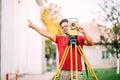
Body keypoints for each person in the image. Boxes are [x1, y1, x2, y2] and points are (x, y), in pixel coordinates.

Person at [28, 19, 94, 80]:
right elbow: (47, 34)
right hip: (64, 71)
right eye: (62, 27)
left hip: (76, 70)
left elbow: (91, 43)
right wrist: (34, 27)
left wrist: (84, 32)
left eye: (66, 26)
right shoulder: (59, 39)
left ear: (71, 26)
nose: (64, 28)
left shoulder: (79, 38)